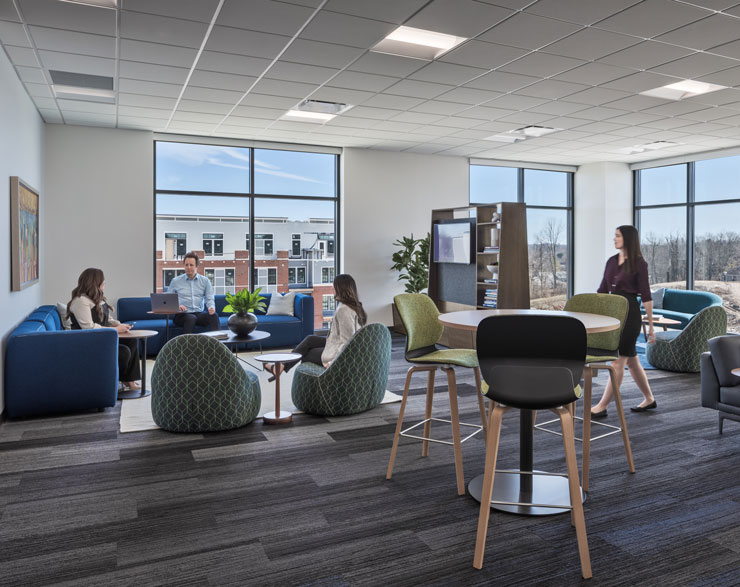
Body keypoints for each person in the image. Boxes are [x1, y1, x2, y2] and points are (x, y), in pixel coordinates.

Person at [592, 225, 657, 418]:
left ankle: (602, 406)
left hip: (630, 315)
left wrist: (651, 325)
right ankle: (649, 399)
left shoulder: (639, 264)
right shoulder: (611, 261)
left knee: (618, 361)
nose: (614, 239)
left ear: (628, 239)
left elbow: (646, 295)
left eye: (617, 236)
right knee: (633, 361)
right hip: (613, 312)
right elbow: (602, 290)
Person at [268, 274, 367, 381]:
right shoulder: (355, 306)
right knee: (310, 340)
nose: (333, 288)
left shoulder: (344, 310)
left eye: (334, 286)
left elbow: (347, 341)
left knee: (305, 354)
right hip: (335, 342)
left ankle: (305, 385)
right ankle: (281, 366)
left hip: (340, 350)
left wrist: (333, 362)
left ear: (340, 289)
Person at [67, 267, 141, 390]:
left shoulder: (96, 298)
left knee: (131, 340)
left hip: (101, 338)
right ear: (95, 282)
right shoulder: (81, 301)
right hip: (87, 343)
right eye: (103, 281)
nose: (104, 283)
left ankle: (129, 381)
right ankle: (118, 381)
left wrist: (119, 325)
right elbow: (89, 327)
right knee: (123, 352)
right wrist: (116, 330)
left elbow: (107, 320)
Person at [167, 251, 219, 334]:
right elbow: (168, 300)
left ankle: (217, 344)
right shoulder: (176, 281)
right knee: (191, 318)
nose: (188, 267)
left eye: (191, 265)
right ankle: (187, 347)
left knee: (214, 316)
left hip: (199, 314)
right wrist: (178, 306)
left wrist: (211, 307)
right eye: (186, 265)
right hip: (182, 315)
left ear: (197, 266)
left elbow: (209, 298)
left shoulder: (205, 281)